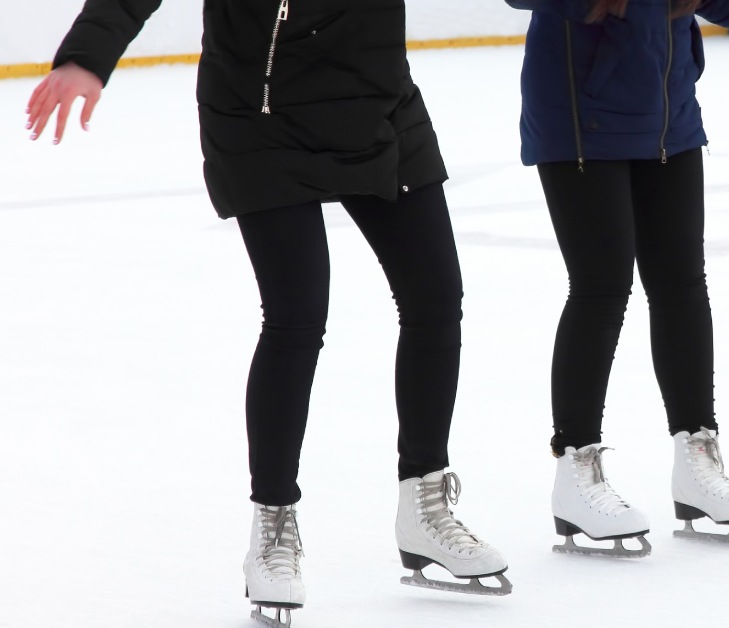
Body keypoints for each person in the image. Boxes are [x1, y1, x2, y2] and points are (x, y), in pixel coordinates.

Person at [25, 0, 512, 620]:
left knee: (436, 296)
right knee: (298, 315)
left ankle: (426, 506)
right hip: (261, 112)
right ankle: (274, 523)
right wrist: (87, 58)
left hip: (376, 96)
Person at [504, 0, 729, 555]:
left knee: (682, 284)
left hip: (669, 115)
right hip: (580, 117)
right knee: (601, 288)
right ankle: (576, 469)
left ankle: (697, 455)